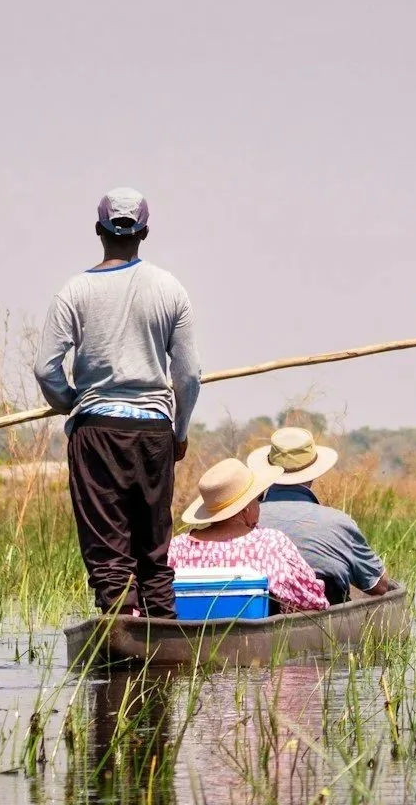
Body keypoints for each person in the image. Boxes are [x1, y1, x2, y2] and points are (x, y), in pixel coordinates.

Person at [35, 189, 201, 618]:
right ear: (144, 232)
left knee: (109, 551)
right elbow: (188, 376)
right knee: (153, 547)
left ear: (98, 231)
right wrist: (179, 432)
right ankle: (163, 632)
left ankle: (122, 630)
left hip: (97, 433)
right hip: (154, 432)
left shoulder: (74, 292)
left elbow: (45, 369)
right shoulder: (170, 289)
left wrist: (71, 402)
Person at [169, 457, 329, 613]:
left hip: (187, 632)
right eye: (258, 498)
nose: (259, 504)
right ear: (245, 508)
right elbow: (312, 598)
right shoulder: (270, 543)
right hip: (256, 636)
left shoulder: (176, 547)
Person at [253, 427, 391, 605]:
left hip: (259, 611)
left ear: (269, 469)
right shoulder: (339, 522)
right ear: (312, 473)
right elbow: (379, 586)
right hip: (327, 617)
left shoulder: (243, 522)